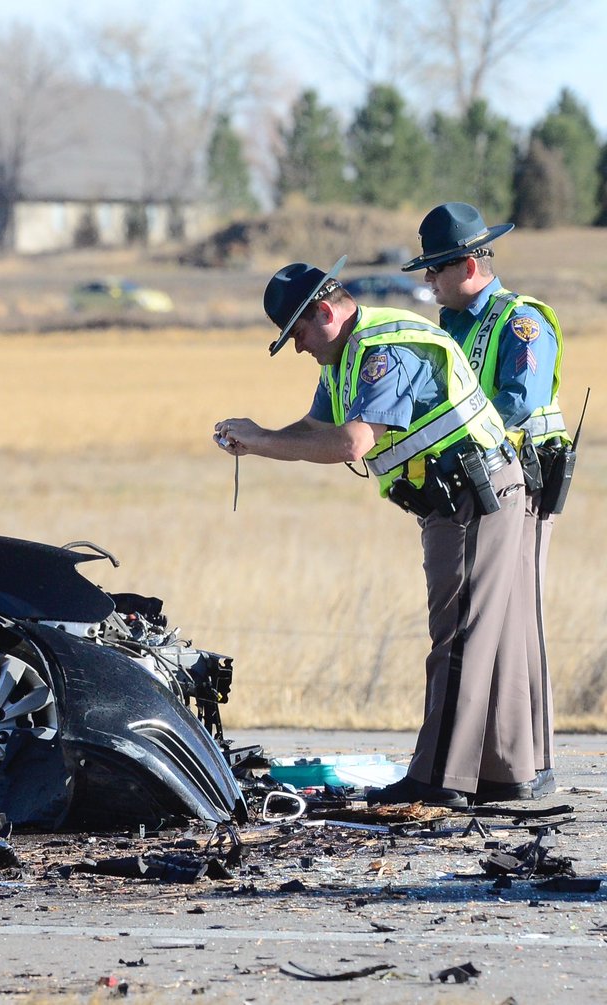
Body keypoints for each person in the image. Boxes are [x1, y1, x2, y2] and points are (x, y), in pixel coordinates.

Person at [215, 256, 534, 809]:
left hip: (469, 495)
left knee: (457, 635)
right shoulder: (346, 353)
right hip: (462, 495)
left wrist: (262, 441)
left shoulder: (381, 349)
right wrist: (262, 434)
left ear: (323, 311)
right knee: (485, 635)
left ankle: (440, 779)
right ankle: (506, 775)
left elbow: (350, 444)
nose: (297, 347)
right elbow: (317, 428)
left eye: (297, 333)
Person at [402, 202, 570, 801]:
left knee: (513, 624)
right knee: (496, 627)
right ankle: (511, 771)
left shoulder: (520, 322)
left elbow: (516, 403)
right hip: (480, 488)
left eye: (436, 269)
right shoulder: (451, 325)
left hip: (518, 488)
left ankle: (511, 768)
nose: (428, 281)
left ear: (468, 264)